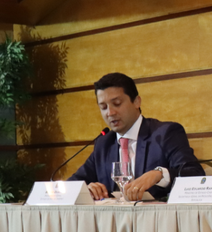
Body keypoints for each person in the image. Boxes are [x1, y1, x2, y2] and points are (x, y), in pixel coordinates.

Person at [69, 73, 204, 201]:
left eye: (117, 104)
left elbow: (194, 174)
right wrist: (86, 190)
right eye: (103, 107)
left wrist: (159, 175)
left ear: (136, 102)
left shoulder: (165, 134)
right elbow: (71, 185)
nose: (110, 113)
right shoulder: (104, 143)